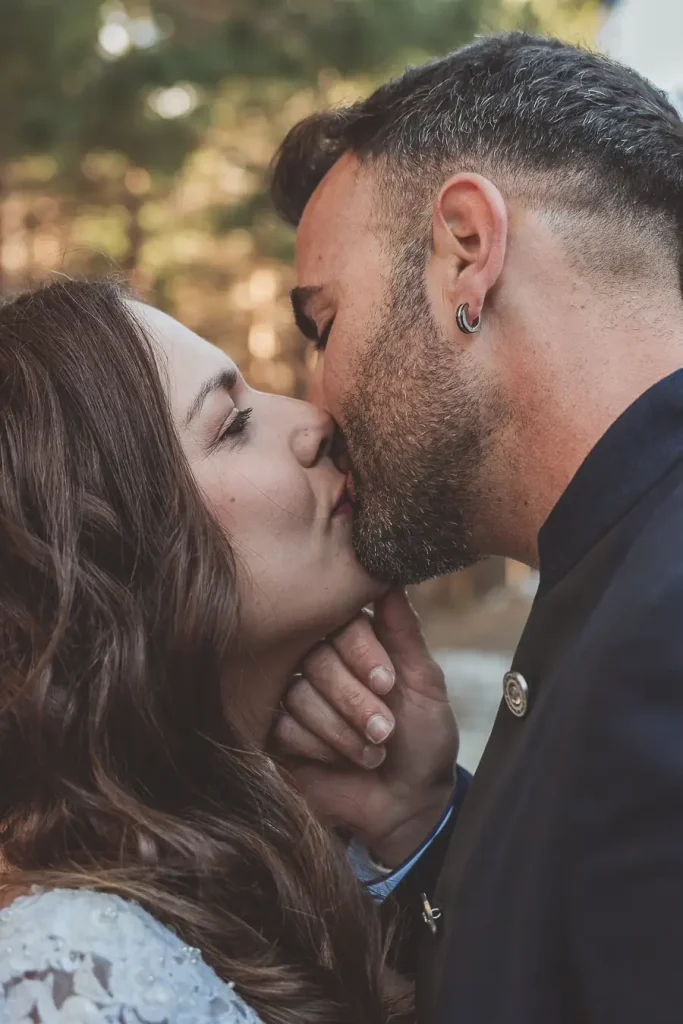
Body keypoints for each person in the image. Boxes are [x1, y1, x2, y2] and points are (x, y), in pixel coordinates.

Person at [270, 31, 683, 1024]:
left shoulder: (661, 620)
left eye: (320, 325)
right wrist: (418, 820)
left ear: (465, 251)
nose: (310, 404)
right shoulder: (618, 568)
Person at [0, 279, 463, 1022]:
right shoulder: (68, 973)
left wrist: (412, 820)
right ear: (112, 553)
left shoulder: (289, 859)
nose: (315, 421)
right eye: (234, 422)